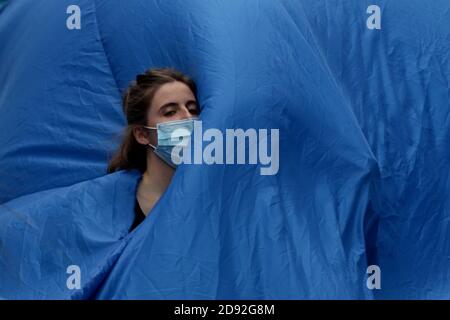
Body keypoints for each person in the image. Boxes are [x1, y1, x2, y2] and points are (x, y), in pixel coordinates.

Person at [107, 67, 200, 231]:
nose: (188, 117)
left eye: (193, 109)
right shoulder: (114, 206)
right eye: (170, 112)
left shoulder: (217, 193)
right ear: (142, 134)